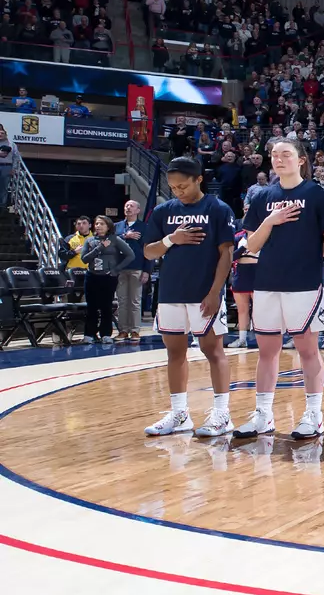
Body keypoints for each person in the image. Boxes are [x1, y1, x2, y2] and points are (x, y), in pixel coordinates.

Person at [236, 139, 324, 438]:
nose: (279, 159)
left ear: (301, 160)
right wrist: (269, 221)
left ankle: (313, 415)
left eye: (286, 154)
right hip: (267, 282)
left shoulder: (318, 196)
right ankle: (264, 415)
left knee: (308, 350)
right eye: (274, 155)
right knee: (266, 351)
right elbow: (251, 245)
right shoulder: (262, 197)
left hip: (304, 283)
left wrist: (299, 256)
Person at [141, 157, 235, 437]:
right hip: (170, 292)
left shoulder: (217, 208)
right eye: (172, 187)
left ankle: (222, 414)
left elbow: (226, 254)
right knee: (174, 352)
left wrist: (215, 291)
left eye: (182, 185)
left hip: (203, 292)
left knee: (212, 350)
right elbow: (148, 252)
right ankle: (180, 414)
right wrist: (172, 239)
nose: (177, 191)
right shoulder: (162, 211)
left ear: (198, 179)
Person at [80, 214, 134, 342]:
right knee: (91, 306)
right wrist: (99, 248)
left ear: (108, 227)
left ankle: (105, 334)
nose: (98, 226)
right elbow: (84, 259)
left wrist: (116, 269)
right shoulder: (90, 241)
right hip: (92, 276)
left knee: (106, 306)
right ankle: (89, 334)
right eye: (97, 224)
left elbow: (130, 255)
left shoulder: (115, 240)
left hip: (108, 277)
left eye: (102, 224)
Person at [114, 199, 148, 341]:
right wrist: (124, 236)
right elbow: (110, 242)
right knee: (121, 301)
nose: (128, 208)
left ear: (138, 210)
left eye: (131, 206)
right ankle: (123, 330)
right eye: (126, 205)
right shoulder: (117, 226)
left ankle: (135, 330)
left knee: (135, 301)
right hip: (120, 268)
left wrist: (147, 270)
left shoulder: (144, 227)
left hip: (137, 267)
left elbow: (148, 249)